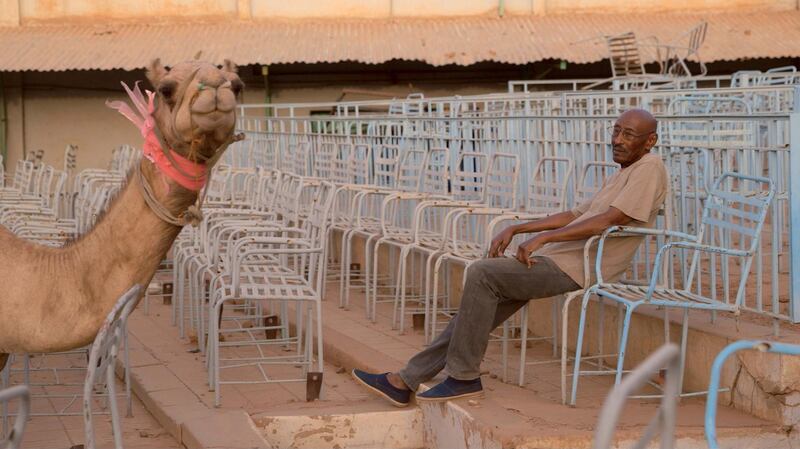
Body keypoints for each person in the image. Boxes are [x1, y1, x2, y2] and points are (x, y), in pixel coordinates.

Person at [352, 109, 669, 406]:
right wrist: (519, 228)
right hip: (559, 261)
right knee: (480, 303)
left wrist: (542, 238)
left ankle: (463, 377)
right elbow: (576, 214)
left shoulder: (650, 168)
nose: (617, 140)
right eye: (616, 132)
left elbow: (609, 220)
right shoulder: (622, 173)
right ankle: (405, 380)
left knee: (483, 274)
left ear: (649, 141)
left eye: (628, 134)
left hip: (583, 267)